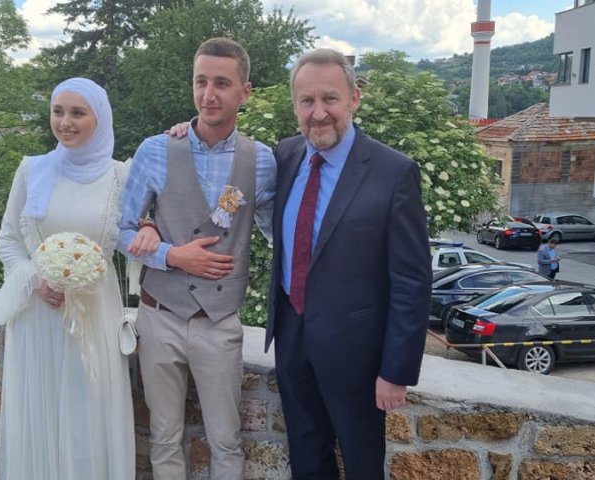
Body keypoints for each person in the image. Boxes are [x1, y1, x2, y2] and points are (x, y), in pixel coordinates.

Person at [263, 49, 432, 479]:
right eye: (307, 101)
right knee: (306, 460)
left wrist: (396, 371)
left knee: (361, 467)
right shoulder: (285, 156)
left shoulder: (394, 172)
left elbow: (412, 281)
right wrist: (185, 133)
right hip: (292, 341)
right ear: (295, 105)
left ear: (354, 98)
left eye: (330, 99)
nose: (318, 113)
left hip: (359, 357)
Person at [119, 37, 276, 479]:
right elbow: (121, 231)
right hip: (158, 315)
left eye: (221, 83)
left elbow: (277, 233)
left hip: (220, 320)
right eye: (200, 81)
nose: (208, 94)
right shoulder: (156, 149)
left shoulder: (262, 160)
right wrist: (171, 255)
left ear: (244, 91)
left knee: (226, 439)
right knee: (164, 436)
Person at [0, 78, 136, 480]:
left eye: (77, 113)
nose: (65, 122)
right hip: (39, 317)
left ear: (100, 118)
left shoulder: (120, 177)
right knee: (40, 416)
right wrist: (35, 280)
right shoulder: (32, 169)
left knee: (88, 415)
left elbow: (133, 242)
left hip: (94, 319)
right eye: (58, 111)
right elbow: (8, 239)